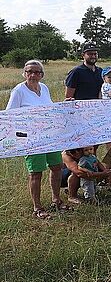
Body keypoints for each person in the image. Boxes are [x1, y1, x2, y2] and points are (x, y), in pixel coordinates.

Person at [6, 60, 68, 219]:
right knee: (36, 173)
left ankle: (56, 200)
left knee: (56, 167)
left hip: (49, 136)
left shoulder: (44, 88)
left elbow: (49, 109)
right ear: (24, 73)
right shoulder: (19, 91)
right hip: (32, 139)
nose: (33, 75)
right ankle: (38, 208)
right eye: (29, 71)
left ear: (42, 74)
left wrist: (64, 106)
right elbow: (9, 116)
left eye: (36, 72)